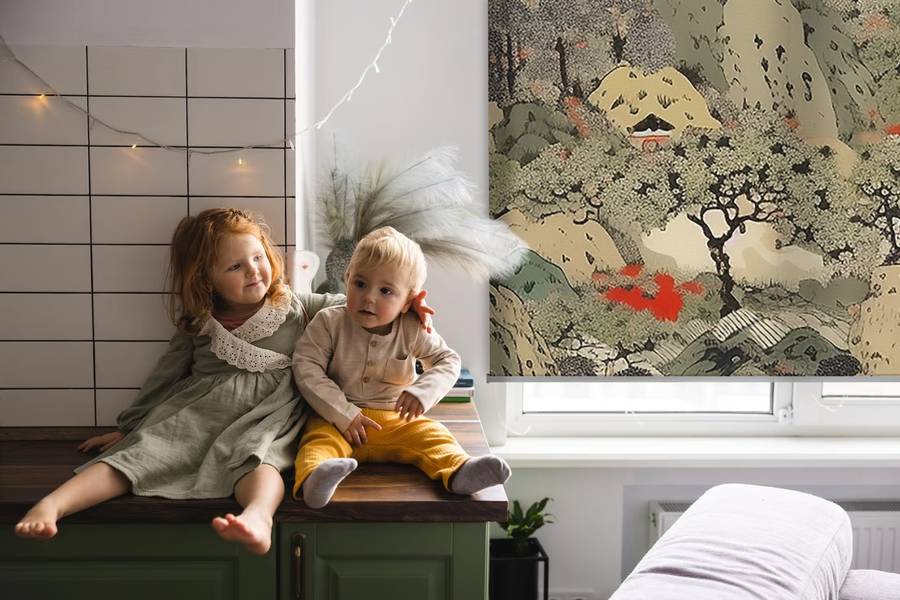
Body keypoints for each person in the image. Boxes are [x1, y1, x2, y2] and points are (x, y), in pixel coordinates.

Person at [13, 209, 433, 554]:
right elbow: (164, 376)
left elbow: (359, 304)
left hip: (269, 415)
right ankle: (55, 504)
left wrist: (406, 304)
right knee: (142, 453)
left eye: (258, 258)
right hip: (201, 411)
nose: (254, 271)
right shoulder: (199, 322)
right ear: (206, 279)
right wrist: (129, 427)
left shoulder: (297, 306)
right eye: (235, 266)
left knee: (260, 461)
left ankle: (257, 519)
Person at [292, 226, 510, 509]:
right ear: (347, 278)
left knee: (433, 436)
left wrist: (422, 392)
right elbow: (306, 366)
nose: (369, 297)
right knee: (317, 442)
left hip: (396, 419)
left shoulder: (412, 328)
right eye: (360, 283)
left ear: (408, 301)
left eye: (386, 291)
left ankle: (460, 472)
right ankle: (315, 480)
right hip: (338, 421)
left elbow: (447, 360)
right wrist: (342, 412)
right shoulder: (328, 322)